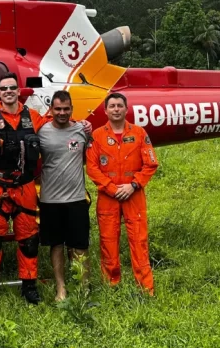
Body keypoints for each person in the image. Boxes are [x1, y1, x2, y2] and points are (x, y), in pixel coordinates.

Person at [0, 73, 49, 305]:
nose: (9, 92)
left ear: (18, 90)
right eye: (4, 89)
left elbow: (56, 126)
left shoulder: (33, 117)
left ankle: (29, 285)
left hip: (24, 186)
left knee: (29, 238)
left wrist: (79, 124)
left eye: (12, 88)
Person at [86, 92, 159, 295]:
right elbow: (92, 168)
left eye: (119, 106)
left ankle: (145, 289)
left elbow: (151, 164)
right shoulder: (97, 136)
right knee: (108, 241)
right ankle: (111, 285)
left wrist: (133, 186)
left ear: (126, 109)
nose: (116, 109)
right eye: (112, 106)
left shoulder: (139, 133)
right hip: (108, 197)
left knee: (139, 240)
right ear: (105, 110)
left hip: (133, 195)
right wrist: (111, 188)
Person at [37, 90, 91, 302]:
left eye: (66, 109)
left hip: (77, 198)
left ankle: (83, 287)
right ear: (51, 110)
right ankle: (61, 288)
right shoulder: (41, 132)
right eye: (58, 109)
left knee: (80, 245)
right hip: (50, 200)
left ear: (72, 109)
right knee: (56, 244)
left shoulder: (81, 129)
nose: (62, 113)